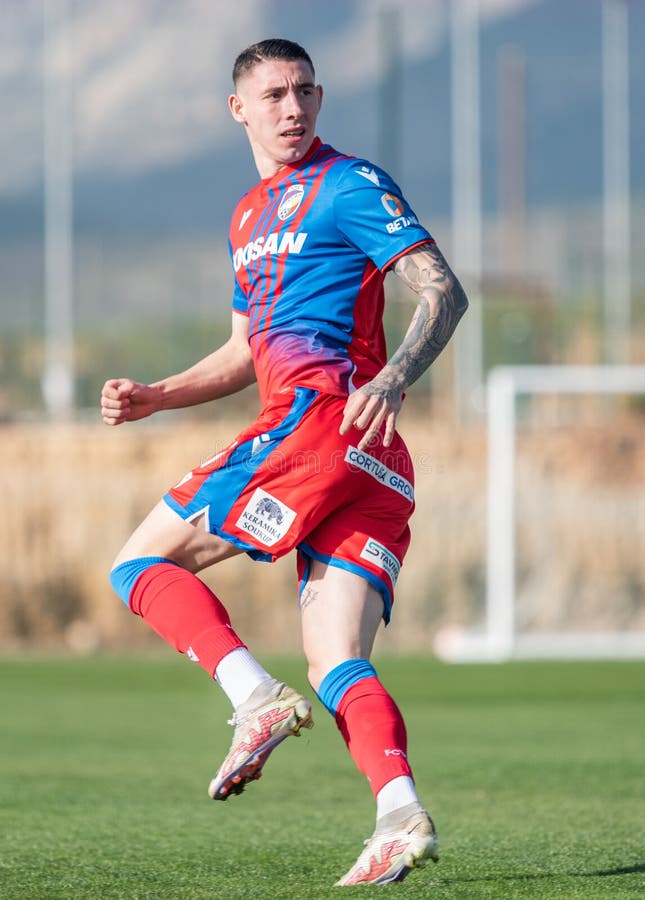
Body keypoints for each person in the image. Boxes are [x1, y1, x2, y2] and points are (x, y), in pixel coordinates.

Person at [101, 38, 468, 887]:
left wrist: (391, 373)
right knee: (335, 658)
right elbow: (241, 350)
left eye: (304, 91)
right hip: (367, 462)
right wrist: (159, 394)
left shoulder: (349, 184)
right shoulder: (245, 216)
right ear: (239, 109)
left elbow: (441, 288)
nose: (293, 108)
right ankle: (398, 815)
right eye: (273, 95)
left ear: (321, 96)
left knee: (134, 564)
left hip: (319, 430)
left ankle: (252, 700)